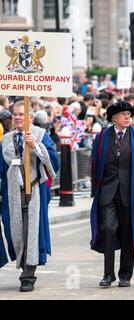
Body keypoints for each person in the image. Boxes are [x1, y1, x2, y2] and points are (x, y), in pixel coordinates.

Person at [90, 101, 134, 288]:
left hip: (130, 192)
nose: (128, 117)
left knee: (127, 233)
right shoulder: (101, 138)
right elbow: (94, 165)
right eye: (124, 114)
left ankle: (125, 274)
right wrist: (96, 190)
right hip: (107, 193)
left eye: (129, 114)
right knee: (108, 230)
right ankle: (108, 274)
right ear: (114, 118)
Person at [0, 101, 59, 292]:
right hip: (11, 193)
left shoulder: (41, 135)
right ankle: (22, 264)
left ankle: (28, 275)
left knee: (31, 232)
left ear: (30, 118)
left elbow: (53, 162)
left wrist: (35, 146)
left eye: (21, 115)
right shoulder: (7, 139)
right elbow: (2, 168)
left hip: (34, 192)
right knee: (14, 232)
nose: (17, 118)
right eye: (15, 115)